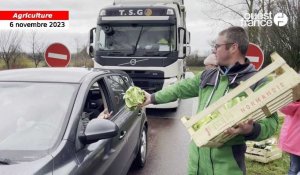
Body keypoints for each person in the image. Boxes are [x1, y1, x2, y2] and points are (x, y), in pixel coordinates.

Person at [141, 26, 279, 175]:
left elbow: (271, 123)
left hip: (227, 168)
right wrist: (152, 98)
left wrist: (250, 129)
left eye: (217, 46)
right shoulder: (210, 75)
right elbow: (179, 88)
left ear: (233, 48)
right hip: (197, 165)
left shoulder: (257, 82)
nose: (214, 50)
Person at [279, 101, 300, 175]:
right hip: (297, 144)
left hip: (294, 143)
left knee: (294, 168)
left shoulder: (293, 103)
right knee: (295, 168)